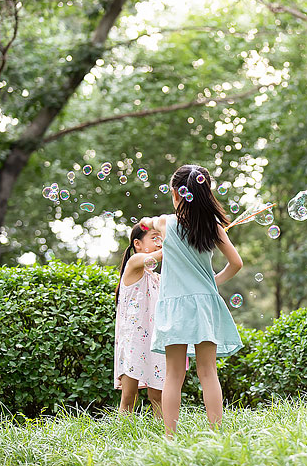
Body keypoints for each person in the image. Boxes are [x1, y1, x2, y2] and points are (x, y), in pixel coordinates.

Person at [139, 164, 243, 437]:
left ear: (176, 193)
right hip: (204, 304)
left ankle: (170, 438)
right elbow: (236, 263)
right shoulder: (213, 227)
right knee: (208, 372)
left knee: (174, 375)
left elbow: (146, 223)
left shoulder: (165, 223)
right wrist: (214, 281)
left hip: (174, 304)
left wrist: (147, 222)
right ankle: (217, 434)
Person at [113, 223, 167, 418]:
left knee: (158, 395)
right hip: (133, 341)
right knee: (129, 395)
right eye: (154, 238)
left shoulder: (157, 278)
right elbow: (159, 256)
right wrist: (176, 240)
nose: (159, 242)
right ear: (137, 243)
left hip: (154, 341)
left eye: (161, 238)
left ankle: (162, 438)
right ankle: (122, 434)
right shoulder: (135, 263)